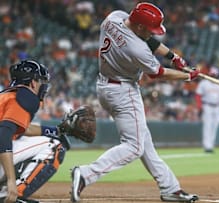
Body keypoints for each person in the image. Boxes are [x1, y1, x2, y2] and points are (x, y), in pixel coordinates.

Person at [70, 2, 199, 203]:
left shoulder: (114, 17)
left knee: (143, 141)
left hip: (105, 86)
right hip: (124, 91)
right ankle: (86, 174)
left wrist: (173, 56)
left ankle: (170, 188)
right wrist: (187, 77)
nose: (152, 33)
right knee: (134, 146)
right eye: (149, 29)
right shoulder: (137, 48)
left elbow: (148, 39)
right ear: (139, 27)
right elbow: (158, 73)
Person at [0, 60, 71, 203]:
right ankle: (13, 194)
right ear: (33, 82)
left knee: (20, 139)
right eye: (41, 81)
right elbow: (3, 136)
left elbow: (22, 129)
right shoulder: (22, 98)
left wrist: (56, 131)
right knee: (54, 146)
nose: (43, 85)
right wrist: (11, 181)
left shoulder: (7, 96)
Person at [195, 67, 219, 153]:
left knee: (215, 126)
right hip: (207, 106)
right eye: (212, 74)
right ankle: (207, 146)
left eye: (214, 74)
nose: (213, 75)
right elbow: (198, 95)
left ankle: (211, 145)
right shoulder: (204, 83)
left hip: (217, 107)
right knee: (207, 126)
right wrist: (199, 106)